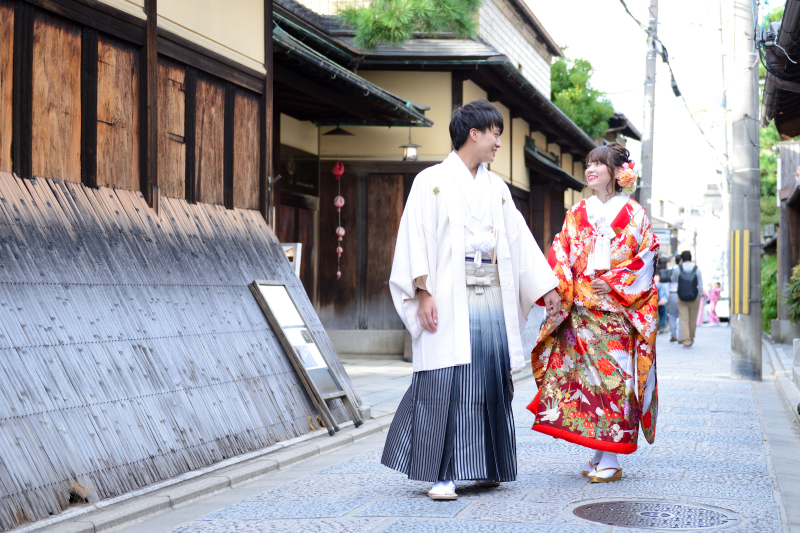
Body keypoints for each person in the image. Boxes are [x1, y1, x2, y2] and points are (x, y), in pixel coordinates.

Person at [382, 99, 560, 500]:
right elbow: (414, 238)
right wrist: (422, 291)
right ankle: (440, 473)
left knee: (489, 381)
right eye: (494, 133)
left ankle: (486, 466)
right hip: (446, 293)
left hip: (489, 295)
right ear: (473, 134)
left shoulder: (496, 187)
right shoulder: (431, 181)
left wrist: (544, 286)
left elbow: (518, 239)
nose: (499, 141)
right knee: (445, 383)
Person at [528, 143, 659, 483]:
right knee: (588, 384)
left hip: (616, 312)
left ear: (617, 173)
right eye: (589, 163)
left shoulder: (635, 214)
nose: (591, 169)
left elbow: (646, 256)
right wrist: (558, 289)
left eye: (599, 164)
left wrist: (614, 283)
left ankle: (613, 457)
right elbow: (561, 251)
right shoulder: (576, 212)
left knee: (616, 381)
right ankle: (601, 450)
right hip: (581, 311)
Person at [672, 250, 703, 348]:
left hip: (681, 297)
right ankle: (691, 338)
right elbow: (700, 284)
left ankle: (686, 340)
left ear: (682, 258)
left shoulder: (678, 268)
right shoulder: (696, 269)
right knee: (692, 319)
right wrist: (699, 296)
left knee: (683, 319)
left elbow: (673, 278)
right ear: (691, 258)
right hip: (694, 297)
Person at [667, 255, 682, 343]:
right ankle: (680, 337)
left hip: (672, 293)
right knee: (681, 316)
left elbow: (669, 280)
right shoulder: (682, 269)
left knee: (672, 316)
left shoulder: (671, 269)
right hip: (681, 294)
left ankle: (673, 335)